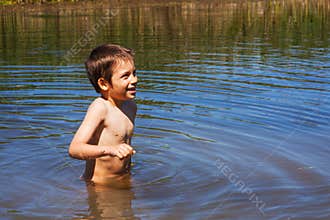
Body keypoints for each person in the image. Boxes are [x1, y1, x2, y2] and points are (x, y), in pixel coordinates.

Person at [69, 44, 138, 185]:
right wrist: (110, 150)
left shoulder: (131, 106)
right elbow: (74, 149)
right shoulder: (100, 108)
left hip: (124, 180)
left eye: (134, 73)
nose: (134, 80)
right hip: (99, 187)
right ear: (104, 84)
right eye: (126, 76)